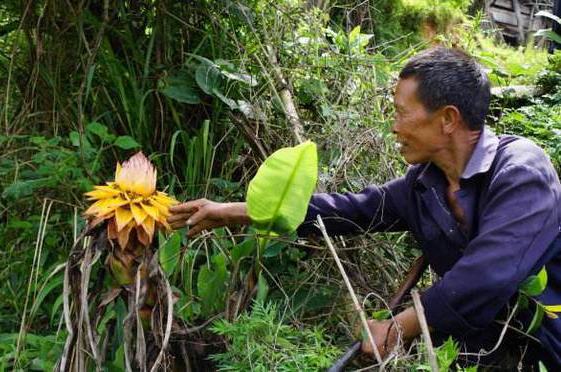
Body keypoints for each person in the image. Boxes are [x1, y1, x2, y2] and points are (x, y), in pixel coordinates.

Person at [167, 47, 560, 369]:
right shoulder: (425, 184)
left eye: (401, 113)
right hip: (480, 354)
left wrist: (398, 328)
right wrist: (237, 211)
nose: (394, 127)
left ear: (447, 119)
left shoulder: (521, 172)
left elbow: (489, 274)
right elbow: (349, 211)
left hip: (547, 347)